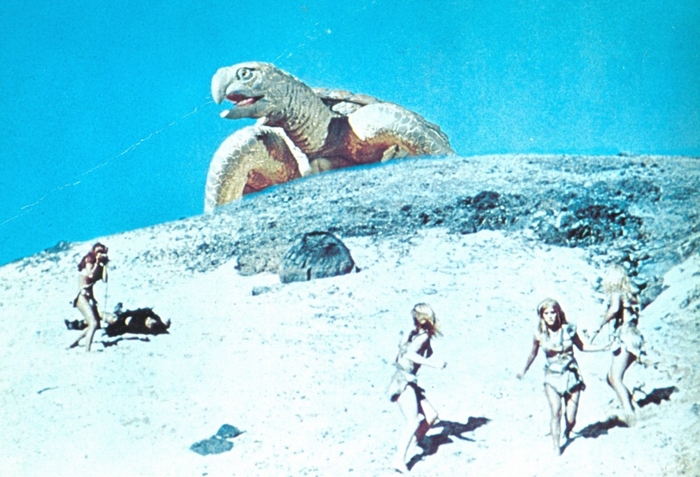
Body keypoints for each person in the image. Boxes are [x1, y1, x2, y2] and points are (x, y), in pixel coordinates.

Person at [517, 298, 606, 455]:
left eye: (553, 312)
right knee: (556, 411)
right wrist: (523, 370)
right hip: (552, 377)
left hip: (571, 376)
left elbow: (583, 346)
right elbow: (533, 354)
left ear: (558, 313)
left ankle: (568, 431)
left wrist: (603, 347)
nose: (550, 316)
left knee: (571, 418)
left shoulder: (568, 329)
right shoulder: (539, 335)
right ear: (542, 316)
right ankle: (556, 447)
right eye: (546, 313)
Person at [387, 303, 447, 473]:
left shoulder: (416, 334)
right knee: (413, 421)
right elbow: (409, 354)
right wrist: (433, 364)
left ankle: (413, 444)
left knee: (431, 415)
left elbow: (403, 351)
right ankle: (398, 460)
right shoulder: (422, 337)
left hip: (407, 381)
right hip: (403, 382)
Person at [592, 265, 644, 426]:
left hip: (625, 337)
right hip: (635, 336)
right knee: (610, 378)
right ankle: (631, 403)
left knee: (615, 377)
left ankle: (630, 414)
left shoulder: (617, 292)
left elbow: (614, 309)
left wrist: (599, 324)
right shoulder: (630, 294)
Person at [68, 242, 109, 352]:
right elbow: (90, 275)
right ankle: (87, 350)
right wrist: (97, 263)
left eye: (102, 251)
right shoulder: (89, 260)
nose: (100, 253)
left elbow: (105, 280)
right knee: (93, 323)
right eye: (98, 251)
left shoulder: (99, 265)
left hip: (90, 297)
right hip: (81, 296)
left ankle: (75, 342)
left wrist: (104, 265)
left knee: (96, 324)